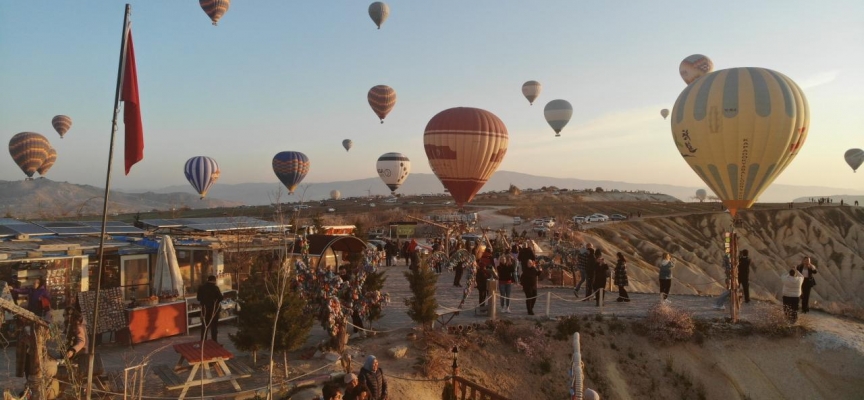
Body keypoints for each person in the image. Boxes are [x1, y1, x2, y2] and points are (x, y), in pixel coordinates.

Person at [197, 275, 224, 343]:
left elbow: (198, 298)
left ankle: (203, 341)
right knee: (214, 326)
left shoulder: (201, 287)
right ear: (214, 281)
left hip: (205, 309)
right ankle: (214, 341)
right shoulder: (215, 288)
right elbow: (220, 298)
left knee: (204, 326)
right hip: (214, 310)